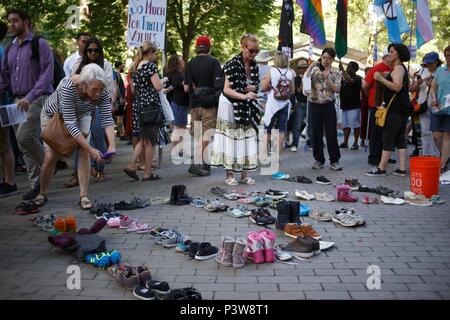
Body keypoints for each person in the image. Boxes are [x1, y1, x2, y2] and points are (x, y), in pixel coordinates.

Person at [35, 64, 116, 209]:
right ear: (84, 85)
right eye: (94, 90)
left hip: (82, 114)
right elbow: (70, 123)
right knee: (50, 156)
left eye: (100, 90)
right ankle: (42, 192)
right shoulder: (68, 87)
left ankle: (83, 195)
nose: (98, 94)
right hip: (54, 116)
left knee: (84, 152)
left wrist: (112, 145)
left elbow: (107, 119)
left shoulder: (101, 89)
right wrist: (92, 149)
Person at [0, 9, 54, 200]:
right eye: (9, 21)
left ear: (26, 22)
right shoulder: (9, 48)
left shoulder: (39, 44)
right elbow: (5, 78)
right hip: (15, 101)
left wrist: (30, 97)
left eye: (15, 21)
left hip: (36, 98)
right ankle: (36, 185)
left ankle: (49, 164)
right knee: (24, 146)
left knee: (23, 137)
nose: (11, 24)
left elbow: (46, 75)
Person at [210, 33, 260, 186]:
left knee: (246, 137)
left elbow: (253, 85)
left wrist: (253, 88)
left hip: (245, 104)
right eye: (251, 50)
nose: (253, 54)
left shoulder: (254, 65)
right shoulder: (232, 63)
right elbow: (226, 90)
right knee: (230, 138)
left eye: (256, 51)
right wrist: (245, 95)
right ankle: (230, 175)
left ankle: (244, 175)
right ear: (243, 47)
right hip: (229, 104)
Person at [69, 37, 115, 184]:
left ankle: (99, 169)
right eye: (90, 50)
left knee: (97, 135)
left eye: (96, 50)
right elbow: (71, 80)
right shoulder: (78, 63)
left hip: (98, 104)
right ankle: (78, 174)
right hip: (82, 106)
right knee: (80, 139)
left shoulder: (106, 65)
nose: (93, 53)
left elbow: (107, 85)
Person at [123, 41, 169, 181]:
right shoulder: (150, 66)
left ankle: (132, 165)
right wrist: (164, 79)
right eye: (155, 53)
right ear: (150, 53)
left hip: (139, 106)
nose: (155, 56)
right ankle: (147, 172)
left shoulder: (135, 67)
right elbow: (157, 86)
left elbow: (133, 90)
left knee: (143, 139)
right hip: (151, 107)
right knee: (150, 141)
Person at [366, 43, 411, 177]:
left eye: (392, 52)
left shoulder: (398, 68)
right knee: (400, 138)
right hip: (402, 108)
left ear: (398, 54)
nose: (389, 54)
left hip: (395, 108)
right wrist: (387, 75)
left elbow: (397, 87)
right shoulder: (400, 68)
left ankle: (381, 168)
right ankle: (402, 168)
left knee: (388, 137)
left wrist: (380, 78)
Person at [184, 35, 222, 176]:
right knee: (207, 135)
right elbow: (218, 84)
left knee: (200, 136)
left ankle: (205, 164)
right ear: (208, 47)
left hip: (194, 104)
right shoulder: (214, 62)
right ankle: (197, 163)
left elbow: (186, 88)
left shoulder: (190, 63)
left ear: (197, 47)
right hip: (209, 104)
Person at [304, 48, 343, 171]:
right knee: (316, 133)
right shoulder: (314, 71)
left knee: (331, 133)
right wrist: (310, 67)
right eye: (324, 57)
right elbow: (305, 83)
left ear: (332, 60)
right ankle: (319, 159)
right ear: (321, 57)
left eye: (329, 58)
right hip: (314, 104)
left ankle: (334, 160)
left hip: (328, 105)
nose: (326, 60)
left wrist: (327, 78)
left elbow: (337, 89)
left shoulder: (336, 72)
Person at [261, 51, 295, 161]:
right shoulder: (290, 73)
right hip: (285, 103)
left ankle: (264, 155)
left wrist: (270, 87)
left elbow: (265, 87)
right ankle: (278, 156)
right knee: (281, 130)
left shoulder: (272, 71)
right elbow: (293, 91)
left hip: (272, 104)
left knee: (268, 129)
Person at [363, 53, 394, 166]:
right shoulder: (377, 68)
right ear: (385, 58)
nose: (392, 60)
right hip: (376, 105)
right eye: (390, 58)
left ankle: (383, 155)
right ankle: (374, 156)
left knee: (385, 131)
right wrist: (370, 98)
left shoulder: (394, 68)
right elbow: (365, 84)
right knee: (376, 131)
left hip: (388, 105)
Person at [410, 52, 440, 157]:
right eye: (427, 63)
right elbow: (411, 89)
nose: (428, 65)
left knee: (436, 133)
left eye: (431, 63)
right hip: (422, 105)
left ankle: (437, 154)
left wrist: (432, 85)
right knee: (424, 131)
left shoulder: (441, 72)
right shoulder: (421, 71)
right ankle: (426, 154)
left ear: (436, 62)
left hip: (437, 106)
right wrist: (416, 85)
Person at [0, 20, 17, 197]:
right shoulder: (3, 50)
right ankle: (5, 180)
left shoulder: (1, 51)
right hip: (4, 102)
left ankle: (10, 181)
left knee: (5, 145)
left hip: (2, 104)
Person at [430, 45, 450, 173]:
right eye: (447, 55)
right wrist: (433, 98)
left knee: (447, 135)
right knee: (436, 136)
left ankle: (442, 164)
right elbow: (433, 87)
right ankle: (446, 155)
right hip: (437, 107)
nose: (449, 58)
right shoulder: (440, 71)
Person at [166, 54, 189, 155]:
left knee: (181, 128)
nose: (184, 62)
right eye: (181, 61)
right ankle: (176, 150)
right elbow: (186, 86)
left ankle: (180, 150)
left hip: (179, 104)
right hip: (179, 104)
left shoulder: (177, 74)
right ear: (177, 64)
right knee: (178, 128)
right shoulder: (178, 75)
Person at [339, 61, 362, 150]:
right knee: (345, 125)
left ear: (355, 69)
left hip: (354, 106)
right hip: (345, 105)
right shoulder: (343, 78)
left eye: (350, 67)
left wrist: (342, 70)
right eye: (348, 67)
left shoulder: (358, 78)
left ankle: (356, 142)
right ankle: (345, 142)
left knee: (355, 124)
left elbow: (351, 81)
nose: (348, 69)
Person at [290, 58, 309, 152]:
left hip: (310, 104)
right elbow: (298, 91)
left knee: (311, 125)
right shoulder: (297, 79)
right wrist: (303, 81)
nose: (303, 69)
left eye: (304, 67)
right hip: (300, 104)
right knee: (297, 125)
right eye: (301, 68)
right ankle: (294, 144)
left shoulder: (311, 77)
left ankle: (311, 143)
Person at [113, 60, 126, 140]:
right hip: (119, 99)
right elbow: (116, 87)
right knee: (119, 117)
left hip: (119, 98)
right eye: (123, 65)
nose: (123, 67)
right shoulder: (116, 75)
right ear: (120, 66)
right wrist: (120, 97)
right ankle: (121, 134)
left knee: (120, 117)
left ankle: (119, 132)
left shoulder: (117, 74)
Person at [360, 66, 372, 147]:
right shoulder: (363, 80)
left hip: (372, 101)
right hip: (365, 102)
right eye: (369, 72)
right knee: (364, 119)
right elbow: (364, 91)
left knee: (372, 120)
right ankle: (363, 138)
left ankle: (371, 138)